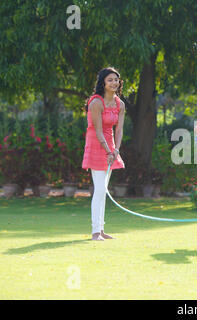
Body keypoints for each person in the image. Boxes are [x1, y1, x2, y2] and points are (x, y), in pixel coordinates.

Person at [82, 67, 126, 241]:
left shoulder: (120, 104)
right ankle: (95, 232)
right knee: (100, 189)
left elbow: (120, 130)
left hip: (111, 147)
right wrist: (108, 150)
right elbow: (98, 131)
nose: (114, 83)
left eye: (116, 79)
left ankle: (101, 230)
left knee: (104, 189)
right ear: (103, 83)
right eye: (110, 80)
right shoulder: (96, 103)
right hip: (96, 144)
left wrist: (115, 150)